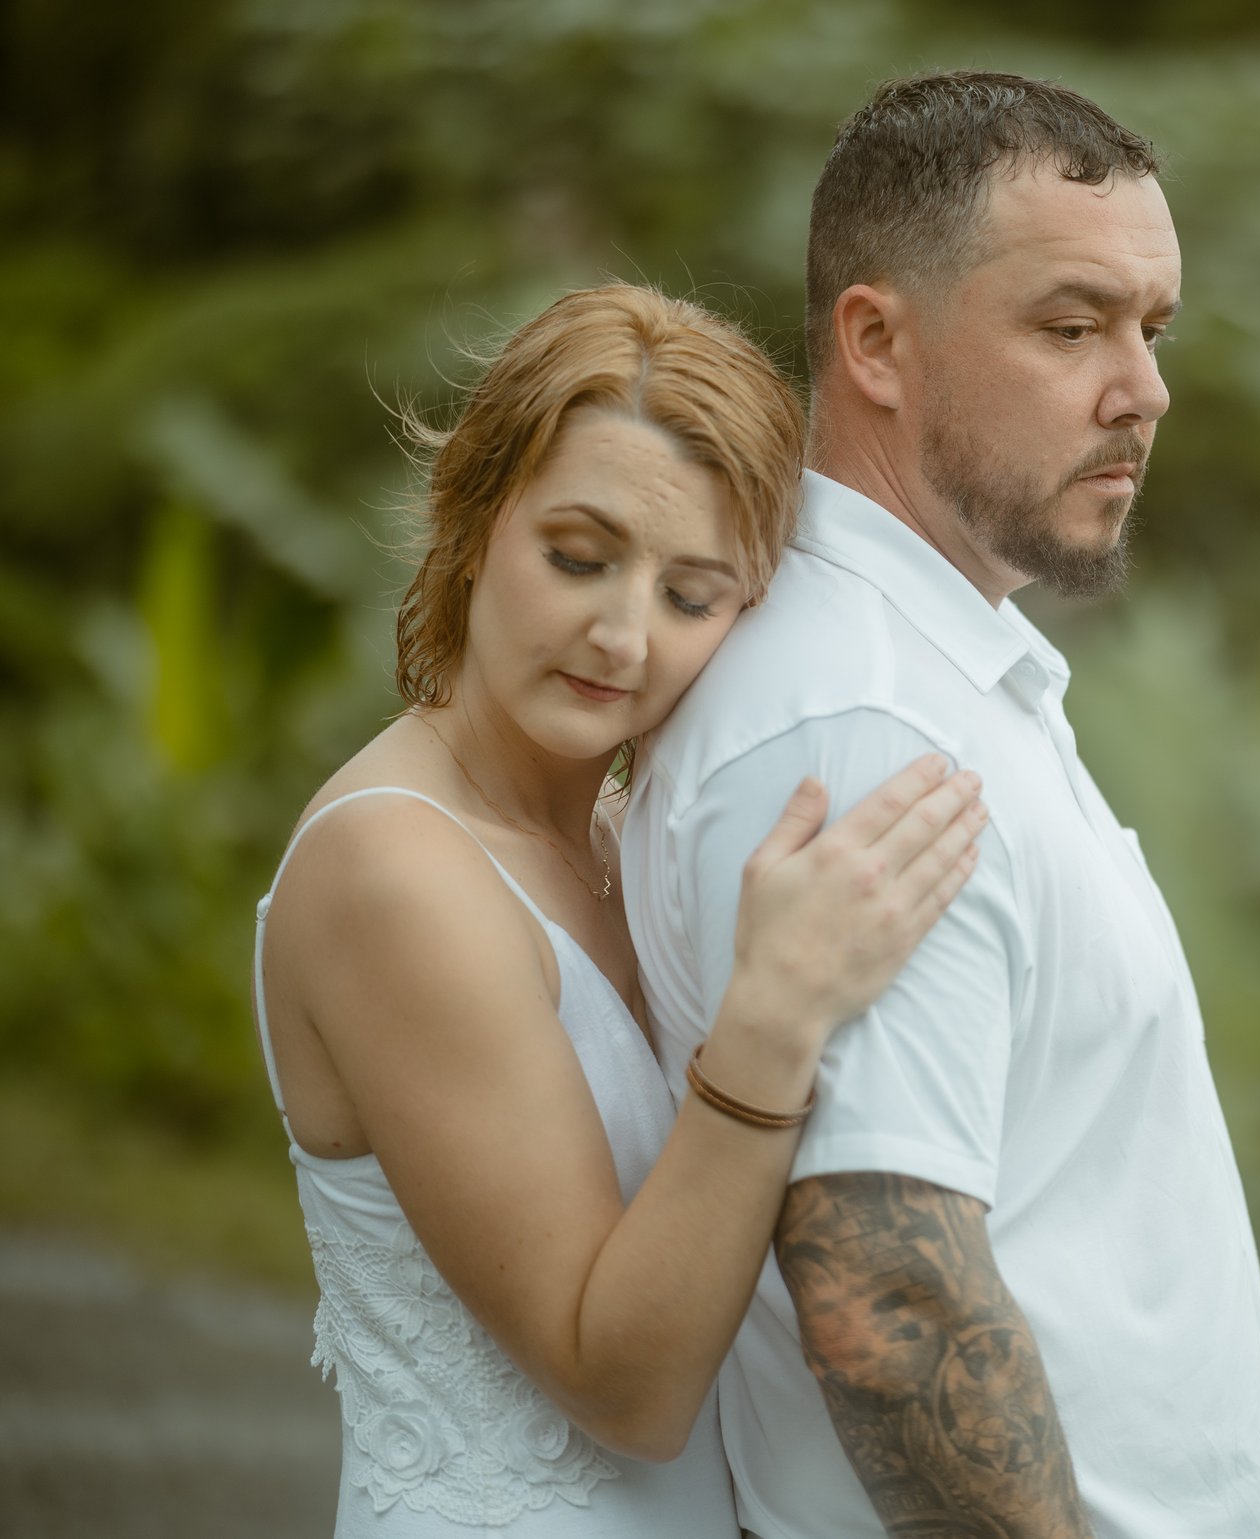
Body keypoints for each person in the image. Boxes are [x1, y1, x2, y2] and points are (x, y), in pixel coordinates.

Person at [624, 73, 1260, 1537]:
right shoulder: (866, 725)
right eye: (1073, 327)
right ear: (876, 340)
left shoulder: (930, 677)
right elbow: (892, 1292)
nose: (1146, 388)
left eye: (1153, 327)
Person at [252, 283, 989, 1537]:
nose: (621, 634)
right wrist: (772, 1016)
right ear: (476, 518)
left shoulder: (610, 840)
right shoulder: (394, 871)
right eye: (579, 557)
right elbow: (622, 1387)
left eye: (691, 595)